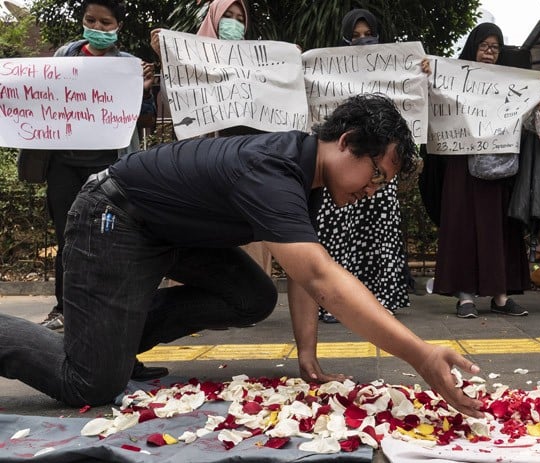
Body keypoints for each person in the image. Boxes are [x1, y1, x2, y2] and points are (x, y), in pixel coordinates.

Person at [0, 94, 484, 418]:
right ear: (348, 144)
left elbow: (300, 272)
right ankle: (91, 349)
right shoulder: (274, 170)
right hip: (115, 217)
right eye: (377, 175)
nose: (373, 191)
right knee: (90, 384)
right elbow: (321, 278)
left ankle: (110, 340)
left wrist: (308, 356)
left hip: (169, 234)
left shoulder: (308, 177)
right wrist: (420, 356)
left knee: (251, 296)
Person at [27, 0, 161, 380]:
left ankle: (118, 347)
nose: (97, 27)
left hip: (111, 169)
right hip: (63, 166)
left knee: (113, 245)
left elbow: (148, 119)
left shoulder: (131, 66)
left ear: (118, 26)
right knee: (68, 239)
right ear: (82, 22)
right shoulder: (61, 58)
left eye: (105, 22)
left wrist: (141, 90)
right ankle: (64, 312)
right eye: (91, 20)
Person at [150, 0, 273, 276]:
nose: (234, 23)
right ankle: (200, 293)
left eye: (240, 18)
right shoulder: (190, 57)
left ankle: (249, 295)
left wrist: (287, 65)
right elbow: (174, 106)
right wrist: (166, 60)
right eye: (227, 16)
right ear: (213, 18)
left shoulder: (257, 60)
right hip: (203, 161)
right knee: (204, 226)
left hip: (245, 159)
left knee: (245, 226)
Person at [314, 8, 415, 324]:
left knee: (378, 234)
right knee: (339, 234)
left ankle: (379, 298)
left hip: (377, 168)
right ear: (344, 40)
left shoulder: (398, 72)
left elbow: (415, 101)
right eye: (355, 36)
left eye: (367, 34)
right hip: (349, 168)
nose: (362, 41)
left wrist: (421, 73)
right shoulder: (326, 73)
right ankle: (335, 301)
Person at [432, 23, 530, 319]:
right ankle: (465, 297)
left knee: (498, 229)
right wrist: (428, 72)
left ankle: (501, 295)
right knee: (463, 227)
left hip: (497, 168)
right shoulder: (451, 79)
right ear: (473, 47)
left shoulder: (508, 82)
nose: (489, 53)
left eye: (495, 47)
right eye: (484, 46)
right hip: (462, 166)